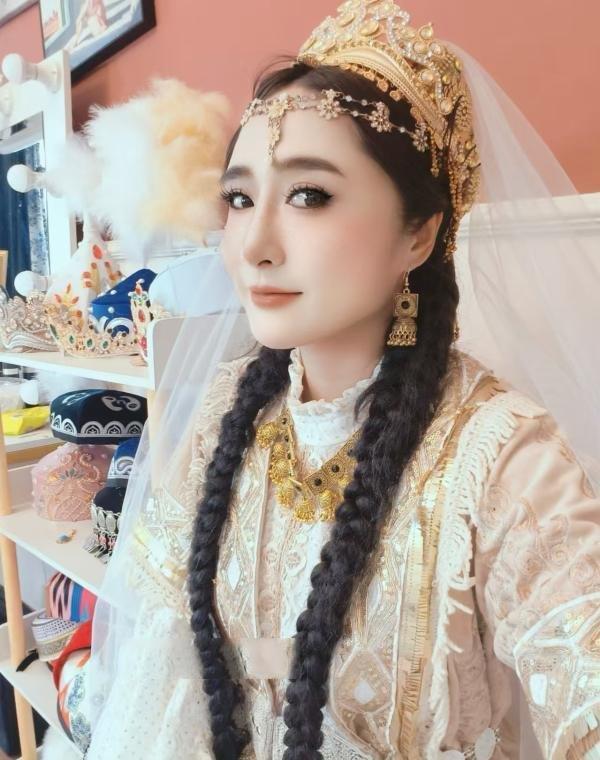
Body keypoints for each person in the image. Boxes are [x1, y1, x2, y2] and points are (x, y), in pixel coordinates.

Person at [73, 2, 600, 759]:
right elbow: (159, 675)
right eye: (240, 198)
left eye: (309, 195)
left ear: (419, 233)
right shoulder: (227, 413)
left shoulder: (504, 462)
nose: (254, 244)